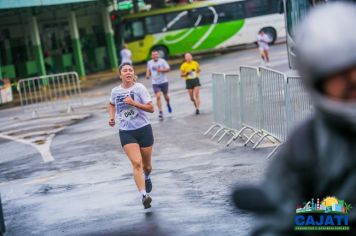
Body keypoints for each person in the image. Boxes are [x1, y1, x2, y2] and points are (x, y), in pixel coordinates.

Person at [233, 3, 356, 235]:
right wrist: (334, 221)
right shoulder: (305, 148)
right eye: (340, 73)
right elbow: (276, 222)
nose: (353, 79)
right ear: (317, 77)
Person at [108, 63, 155, 209]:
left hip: (144, 129)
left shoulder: (139, 88)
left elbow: (151, 108)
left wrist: (133, 103)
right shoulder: (115, 91)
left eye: (130, 70)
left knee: (147, 166)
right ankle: (144, 195)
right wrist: (112, 117)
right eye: (125, 70)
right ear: (120, 74)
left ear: (133, 73)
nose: (128, 72)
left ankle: (146, 177)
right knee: (136, 163)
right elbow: (111, 104)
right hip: (126, 132)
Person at [146, 50, 172, 120]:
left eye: (156, 54)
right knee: (158, 96)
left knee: (166, 96)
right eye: (153, 55)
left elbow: (168, 69)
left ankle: (168, 104)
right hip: (155, 83)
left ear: (158, 55)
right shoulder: (149, 63)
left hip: (164, 81)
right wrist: (147, 75)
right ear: (151, 56)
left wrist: (161, 70)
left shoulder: (162, 61)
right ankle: (160, 111)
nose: (155, 56)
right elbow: (148, 70)